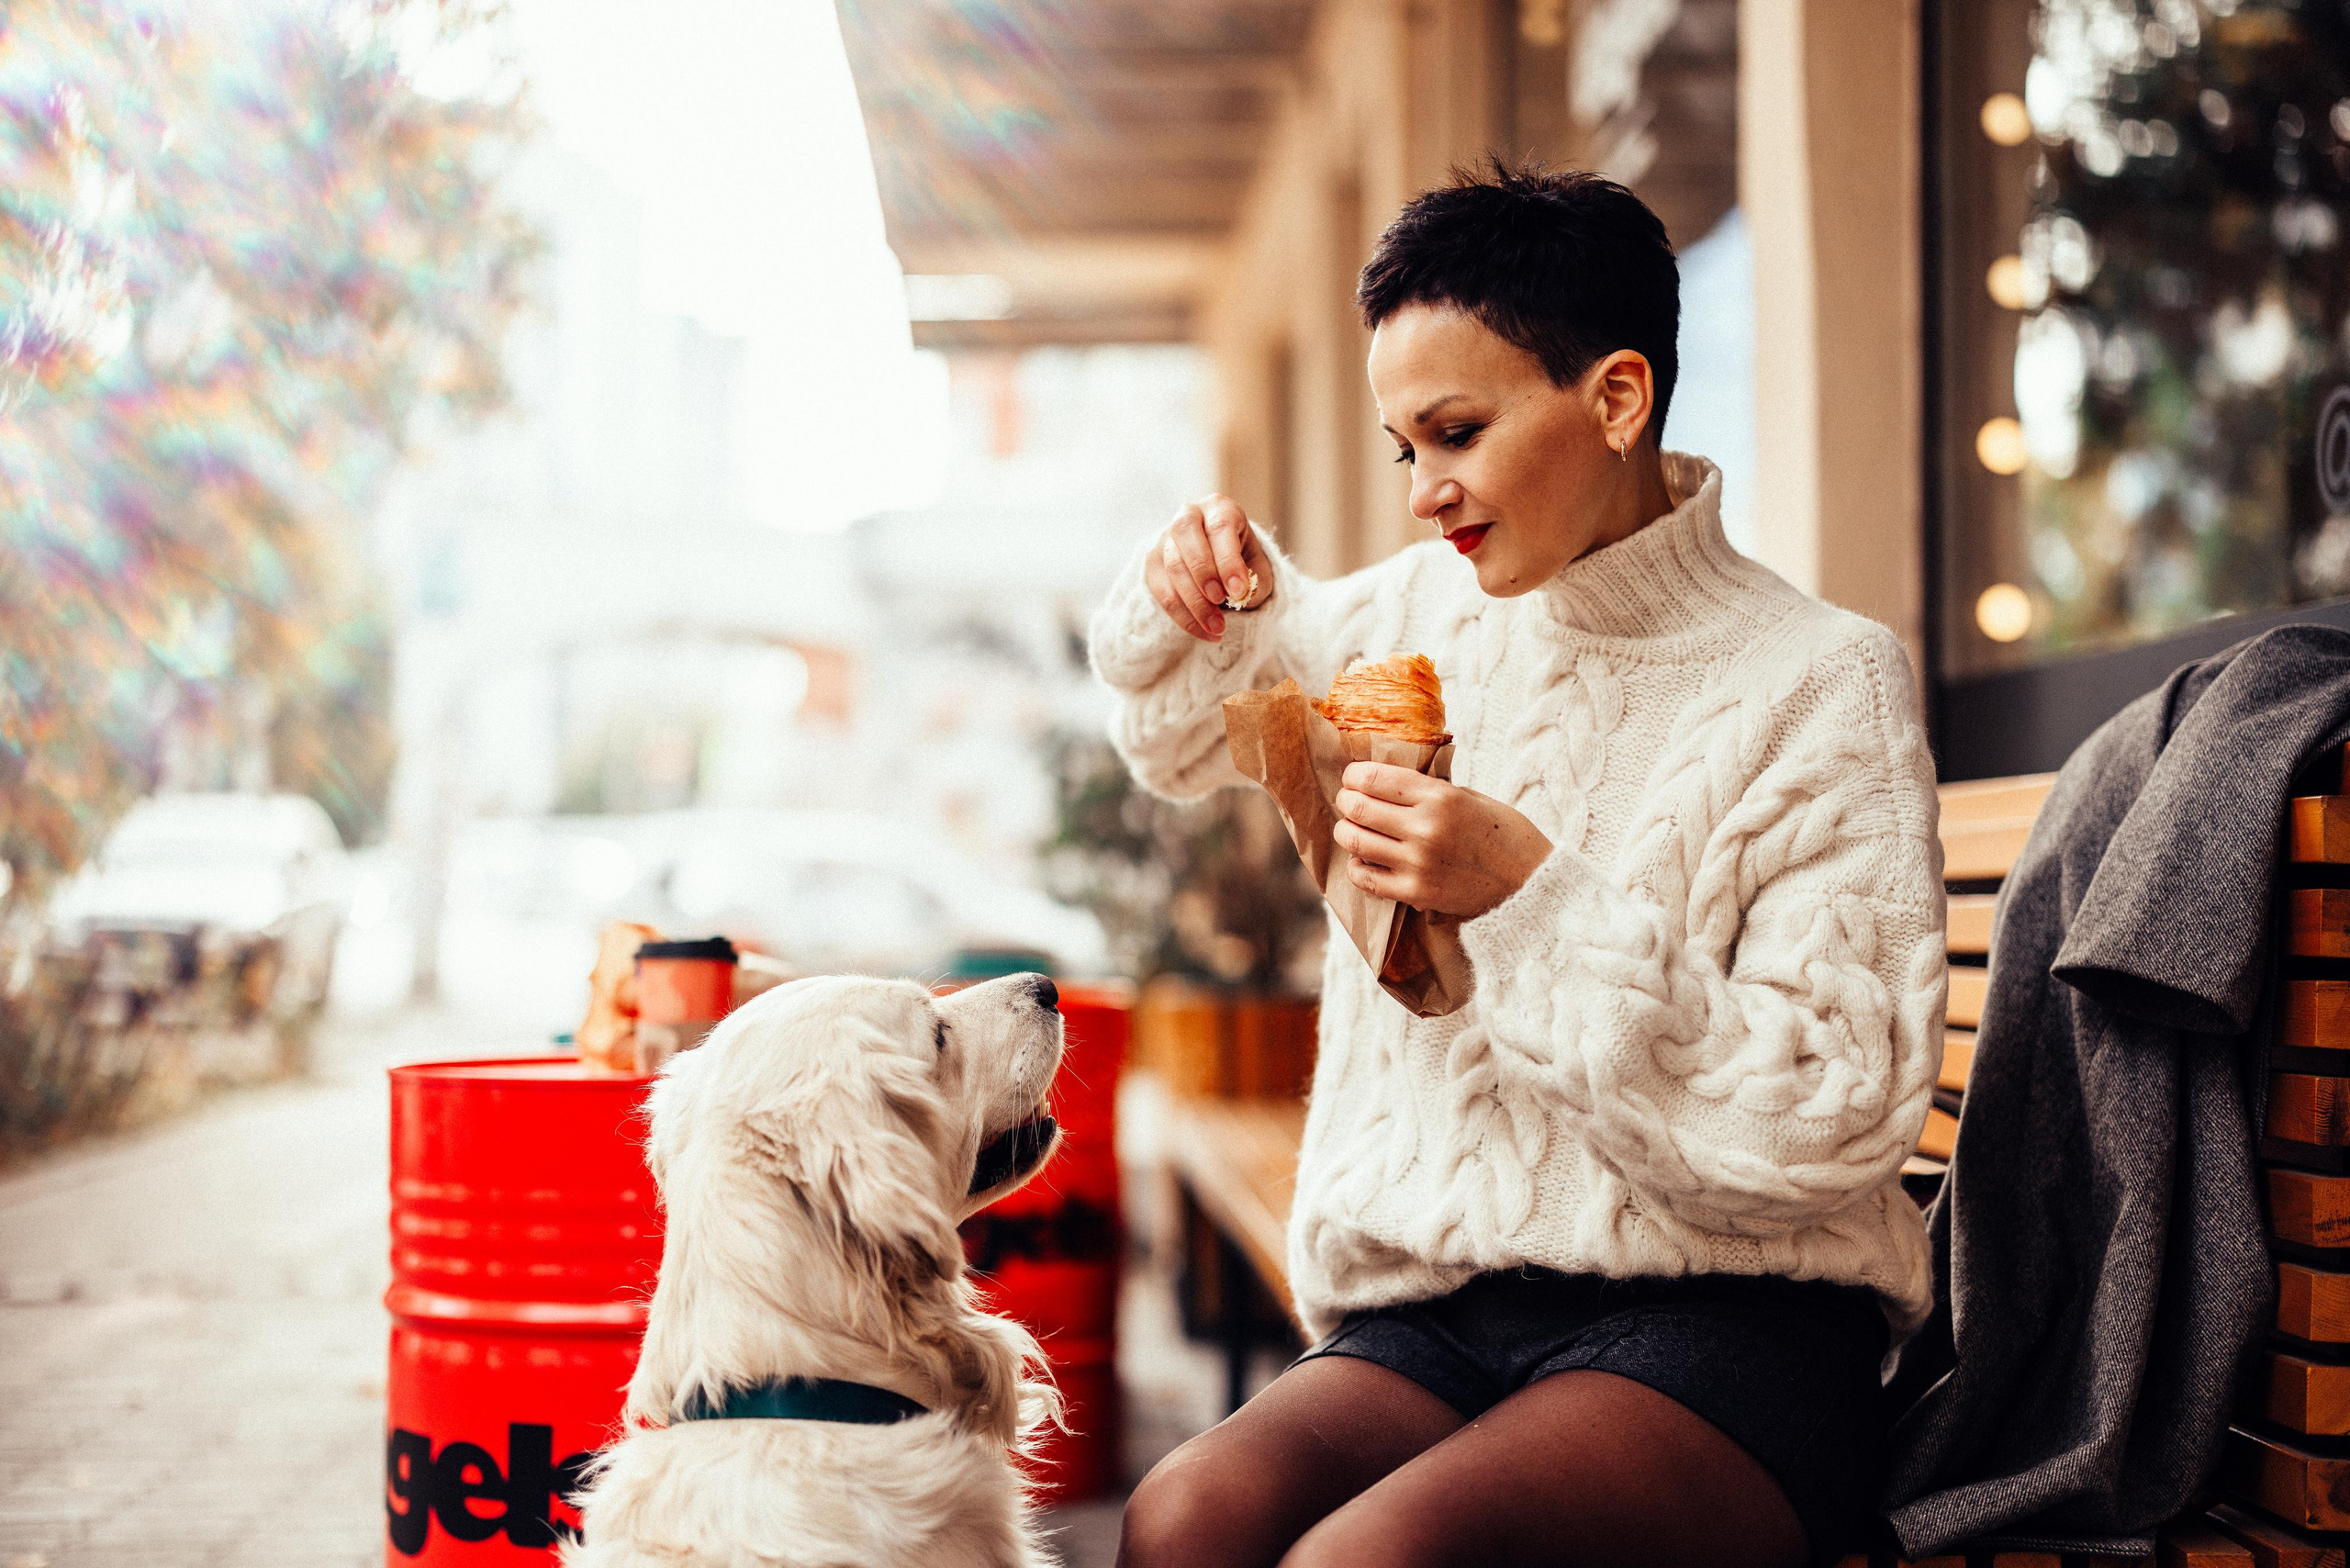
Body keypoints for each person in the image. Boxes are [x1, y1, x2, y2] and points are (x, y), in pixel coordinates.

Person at [1090, 162, 1945, 1568]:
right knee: (1184, 1521)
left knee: (1365, 1564)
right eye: (1400, 448)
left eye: (1457, 433)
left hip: (1729, 1327)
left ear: (1615, 399)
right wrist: (1183, 600)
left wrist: (1531, 899)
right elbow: (1184, 737)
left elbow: (1834, 1113)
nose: (1424, 493)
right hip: (1441, 1315)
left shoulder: (1821, 683)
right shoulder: (1414, 617)